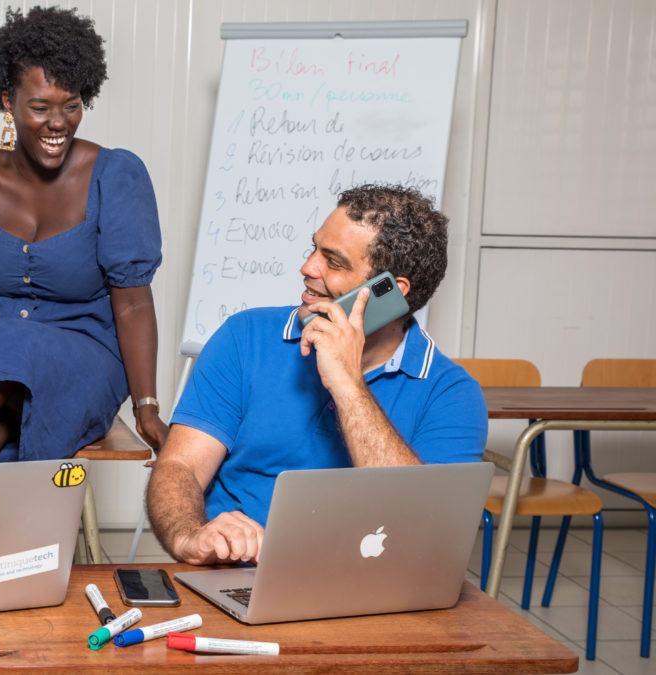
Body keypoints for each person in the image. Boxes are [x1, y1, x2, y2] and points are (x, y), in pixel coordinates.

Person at [146, 185, 488, 565]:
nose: (308, 267)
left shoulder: (452, 394)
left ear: (389, 294)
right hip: (236, 577)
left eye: (334, 261)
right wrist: (190, 536)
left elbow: (424, 532)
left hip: (369, 589)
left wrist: (347, 383)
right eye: (314, 249)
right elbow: (180, 466)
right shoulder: (244, 338)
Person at [0, 5, 167, 464]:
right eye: (40, 107)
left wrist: (146, 406)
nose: (59, 123)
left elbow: (133, 302)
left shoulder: (115, 176)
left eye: (71, 106)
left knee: (7, 342)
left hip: (83, 350)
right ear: (7, 101)